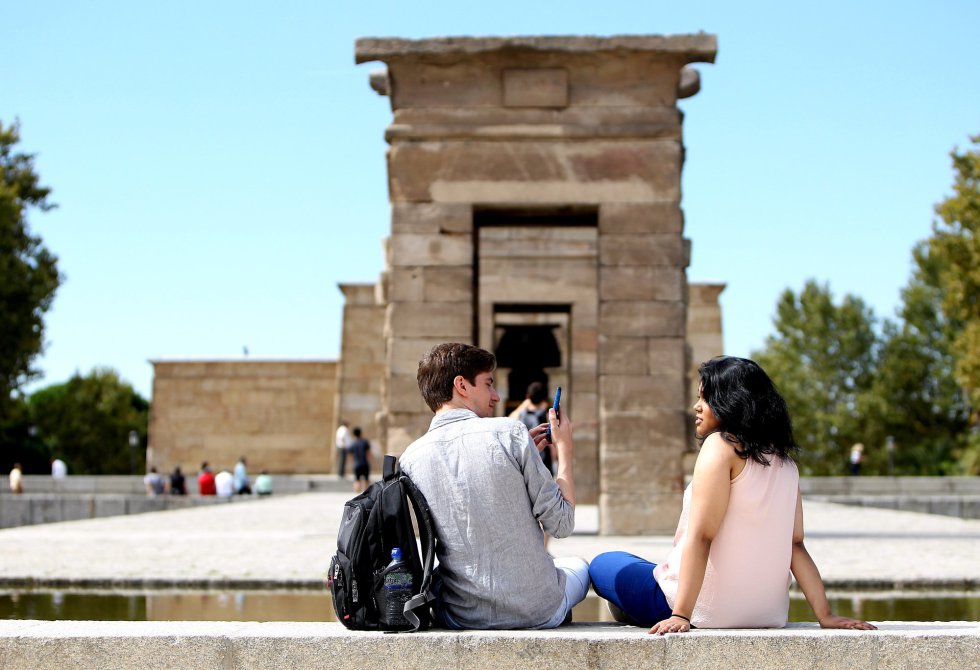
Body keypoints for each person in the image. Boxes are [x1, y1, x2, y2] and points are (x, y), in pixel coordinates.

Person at [589, 356, 877, 635]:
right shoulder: (787, 464)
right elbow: (796, 546)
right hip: (768, 614)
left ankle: (641, 606)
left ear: (731, 403)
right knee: (642, 571)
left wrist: (681, 614)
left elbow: (701, 536)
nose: (696, 407)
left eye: (704, 399)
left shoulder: (720, 446)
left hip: (702, 610)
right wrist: (824, 614)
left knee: (605, 563)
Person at [398, 342, 589, 630]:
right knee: (580, 566)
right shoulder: (510, 432)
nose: (497, 396)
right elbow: (561, 524)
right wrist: (565, 451)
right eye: (488, 384)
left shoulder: (410, 458)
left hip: (461, 616)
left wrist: (520, 464)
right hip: (537, 610)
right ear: (461, 385)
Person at [509, 381, 558, 474]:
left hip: (526, 460)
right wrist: (554, 460)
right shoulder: (546, 415)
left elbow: (510, 417)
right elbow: (552, 443)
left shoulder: (521, 415)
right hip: (543, 461)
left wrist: (524, 404)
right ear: (544, 399)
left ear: (528, 396)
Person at [348, 427, 372, 493]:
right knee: (366, 480)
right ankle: (367, 495)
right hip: (365, 463)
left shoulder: (352, 443)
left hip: (356, 464)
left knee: (357, 480)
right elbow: (368, 453)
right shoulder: (365, 442)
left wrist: (352, 462)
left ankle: (357, 496)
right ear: (360, 433)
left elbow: (350, 454)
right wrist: (372, 462)